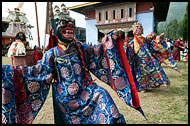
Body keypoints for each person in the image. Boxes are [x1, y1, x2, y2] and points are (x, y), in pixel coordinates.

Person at [2, 4, 146, 124]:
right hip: (66, 97)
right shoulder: (51, 54)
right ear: (54, 28)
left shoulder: (80, 48)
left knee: (102, 94)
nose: (69, 26)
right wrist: (9, 72)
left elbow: (98, 52)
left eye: (72, 24)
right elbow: (37, 74)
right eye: (64, 24)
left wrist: (110, 39)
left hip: (87, 90)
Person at [127, 22, 170, 92]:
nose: (139, 29)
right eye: (138, 28)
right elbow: (130, 51)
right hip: (139, 60)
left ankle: (154, 84)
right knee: (141, 74)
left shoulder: (145, 40)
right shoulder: (132, 42)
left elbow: (153, 45)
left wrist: (159, 39)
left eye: (140, 28)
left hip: (148, 59)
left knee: (152, 70)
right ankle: (143, 87)